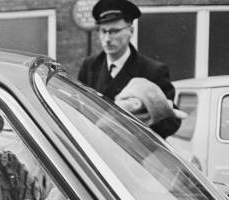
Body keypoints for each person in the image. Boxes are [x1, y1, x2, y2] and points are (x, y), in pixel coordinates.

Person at [77, 0, 181, 138]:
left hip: (133, 154)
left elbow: (170, 123)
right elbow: (78, 111)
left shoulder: (153, 71)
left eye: (114, 31)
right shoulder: (89, 66)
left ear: (131, 31)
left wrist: (145, 114)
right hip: (95, 149)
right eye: (103, 31)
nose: (107, 38)